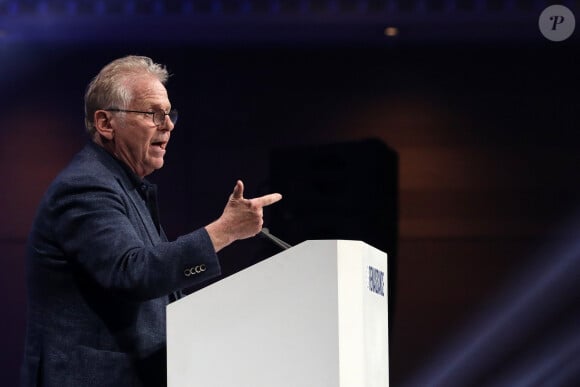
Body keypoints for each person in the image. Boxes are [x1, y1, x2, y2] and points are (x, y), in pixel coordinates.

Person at [20, 55, 282, 386]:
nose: (168, 125)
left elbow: (157, 292)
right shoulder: (85, 187)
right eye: (152, 114)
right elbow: (134, 273)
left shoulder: (125, 187)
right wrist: (225, 230)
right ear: (105, 123)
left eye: (169, 114)